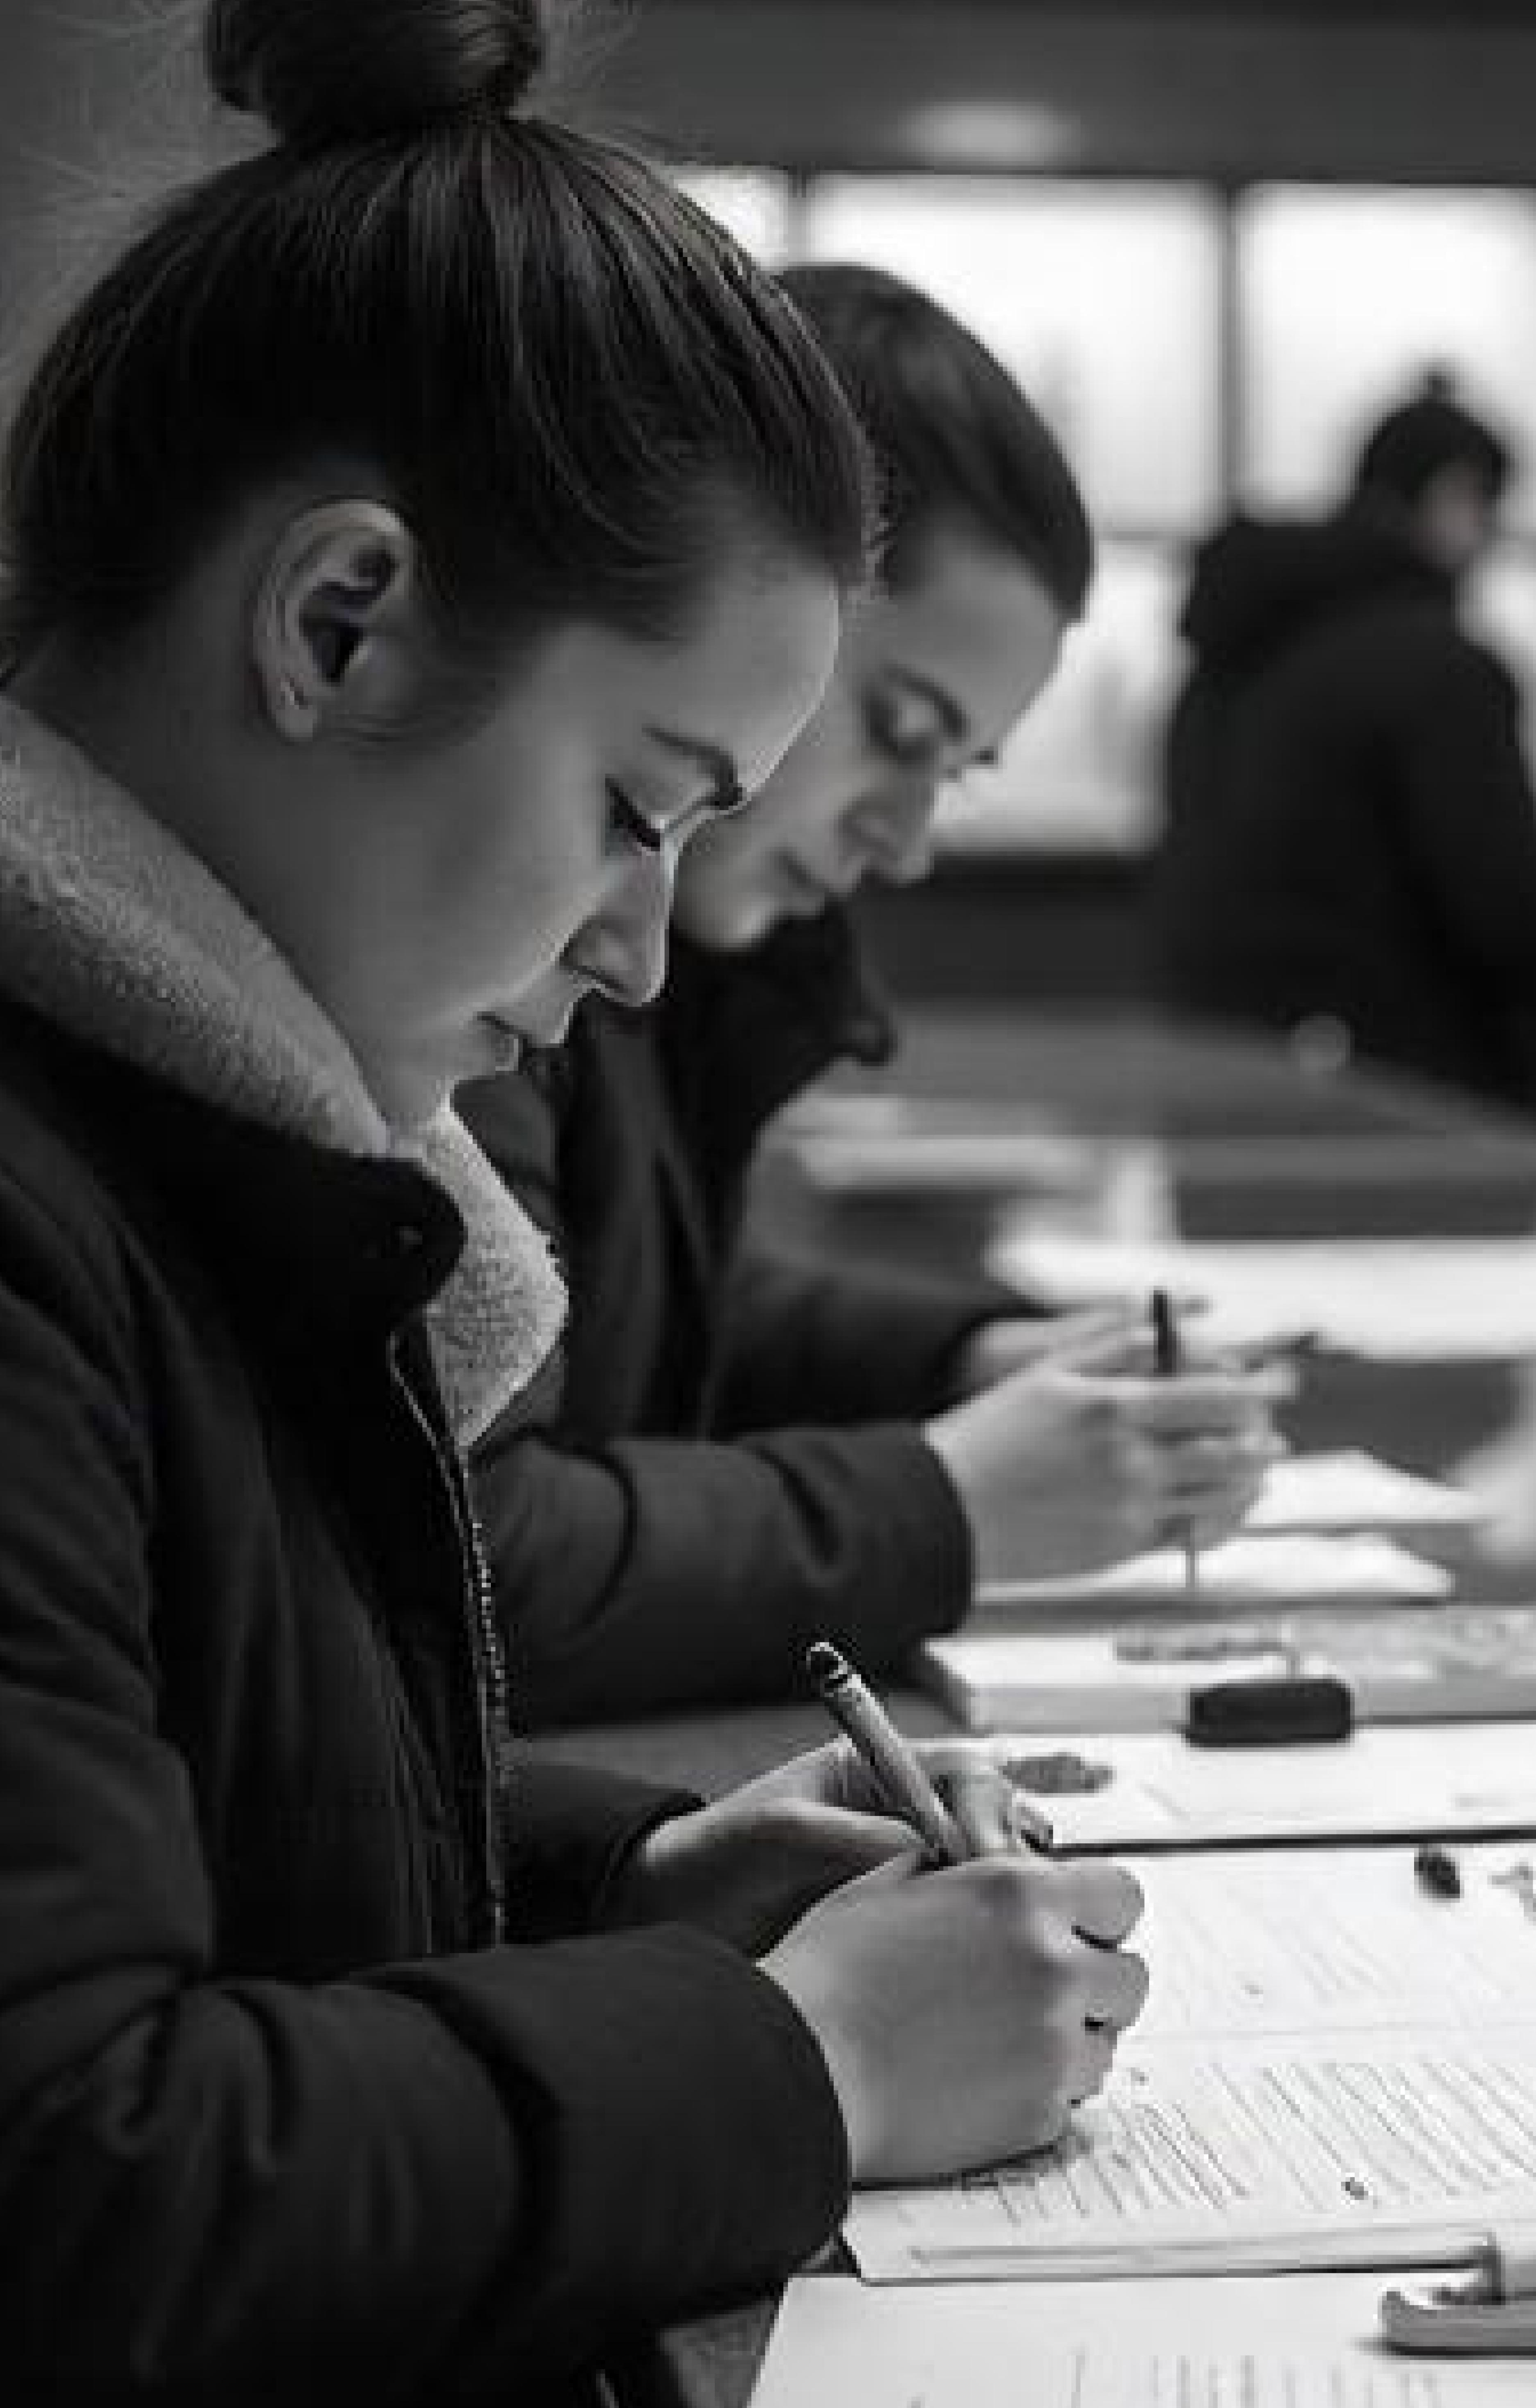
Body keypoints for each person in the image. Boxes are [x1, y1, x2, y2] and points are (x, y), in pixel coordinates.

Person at [0, 6, 1148, 2408]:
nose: (640, 944)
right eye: (634, 802)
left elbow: (163, 1830)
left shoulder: (132, 1100)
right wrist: (792, 2055)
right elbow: (17, 2190)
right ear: (335, 621)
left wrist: (621, 1874)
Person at [463, 260, 1283, 1726]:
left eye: (951, 773)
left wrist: (963, 1358)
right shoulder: (484, 939)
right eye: (896, 731)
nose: (903, 839)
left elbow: (633, 1304)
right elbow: (468, 1554)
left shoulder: (683, 954)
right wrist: (948, 1501)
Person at [1151, 369, 1536, 1108]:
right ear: (1454, 497)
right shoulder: (1434, 666)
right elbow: (1505, 900)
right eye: (1490, 515)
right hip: (1408, 1080)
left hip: (1220, 1060)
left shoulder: (1232, 652)